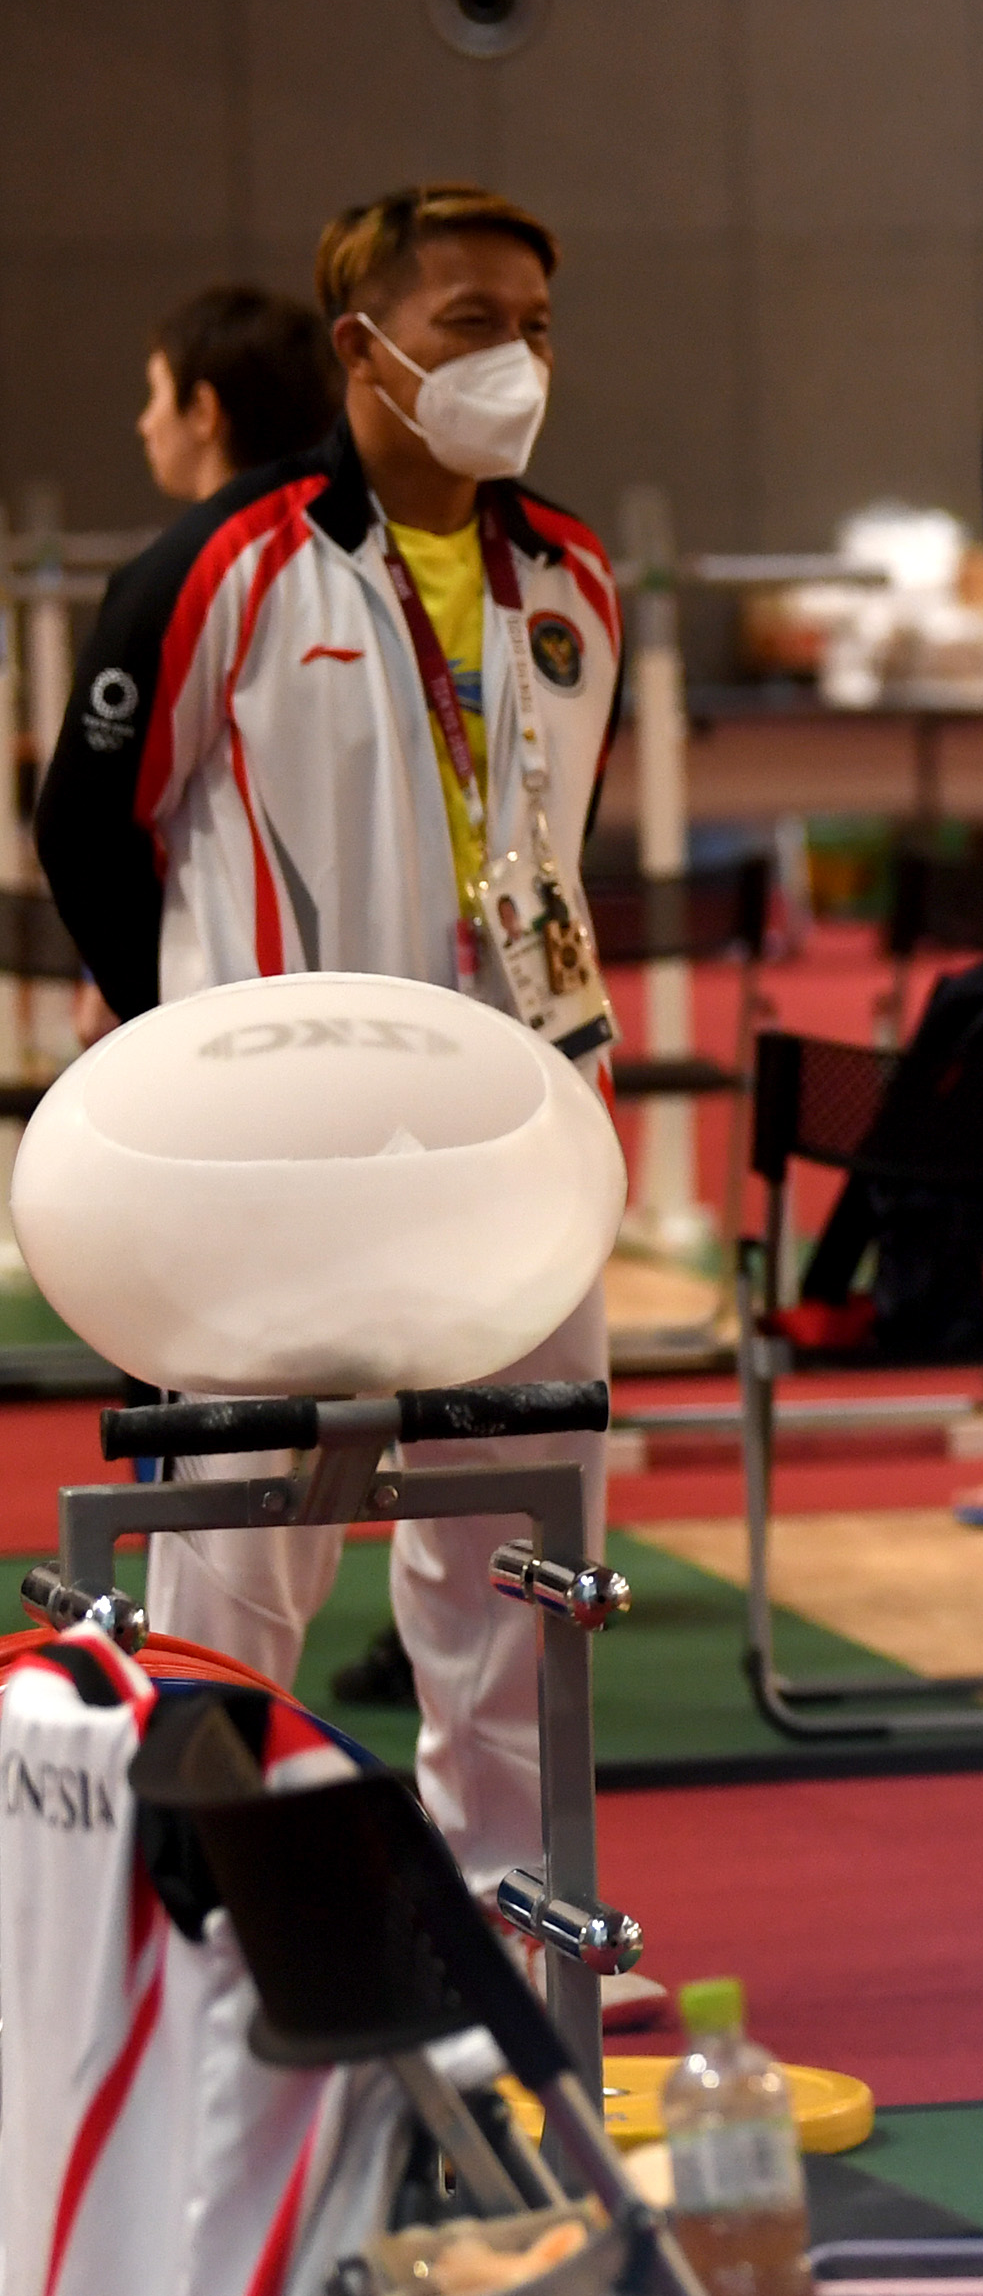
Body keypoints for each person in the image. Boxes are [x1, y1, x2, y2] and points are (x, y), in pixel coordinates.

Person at [35, 183, 624, 1895]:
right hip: (267, 1169)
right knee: (237, 1559)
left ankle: (516, 1910)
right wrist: (187, 1053)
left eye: (535, 324)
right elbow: (86, 823)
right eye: (471, 325)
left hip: (520, 1137)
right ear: (361, 348)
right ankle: (210, 1916)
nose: (516, 358)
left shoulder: (571, 571)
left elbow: (551, 847)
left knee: (509, 1549)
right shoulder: (224, 564)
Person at [133, 285, 339, 505]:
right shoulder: (352, 526)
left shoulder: (199, 539)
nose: (144, 424)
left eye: (156, 394)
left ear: (203, 410)